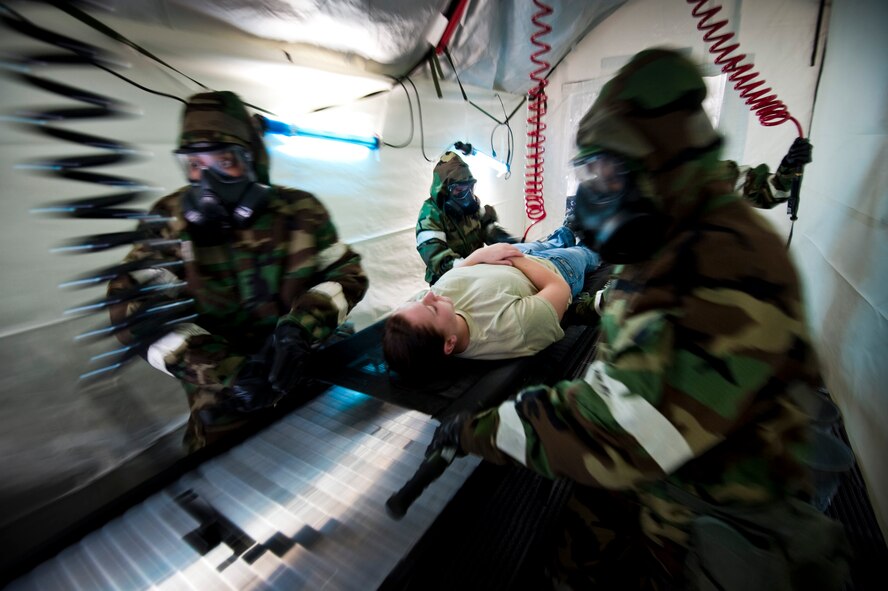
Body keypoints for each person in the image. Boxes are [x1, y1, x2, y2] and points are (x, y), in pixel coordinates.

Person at [424, 49, 846, 589]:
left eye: (607, 172)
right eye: (590, 172)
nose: (596, 191)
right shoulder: (675, 231)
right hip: (660, 447)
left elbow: (619, 431)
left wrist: (477, 430)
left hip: (701, 499)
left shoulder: (721, 269)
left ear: (659, 166)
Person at [107, 91, 368, 451]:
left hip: (309, 369)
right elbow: (132, 311)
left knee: (334, 455)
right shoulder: (167, 223)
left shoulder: (301, 211)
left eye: (224, 161)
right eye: (195, 165)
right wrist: (227, 371)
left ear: (252, 158)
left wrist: (301, 329)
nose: (208, 180)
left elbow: (345, 274)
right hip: (225, 398)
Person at [383, 227, 600, 376]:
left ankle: (566, 232)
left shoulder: (435, 305)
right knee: (586, 251)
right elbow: (557, 288)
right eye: (431, 309)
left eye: (419, 300)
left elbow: (460, 270)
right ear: (449, 343)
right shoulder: (509, 329)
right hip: (554, 267)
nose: (428, 295)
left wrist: (483, 253)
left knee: (553, 239)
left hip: (507, 256)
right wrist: (515, 259)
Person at [416, 150, 517, 285]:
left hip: (476, 272)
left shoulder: (469, 205)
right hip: (446, 281)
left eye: (470, 187)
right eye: (459, 190)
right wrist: (478, 260)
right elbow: (440, 263)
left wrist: (509, 241)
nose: (467, 195)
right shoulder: (430, 216)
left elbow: (487, 230)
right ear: (444, 190)